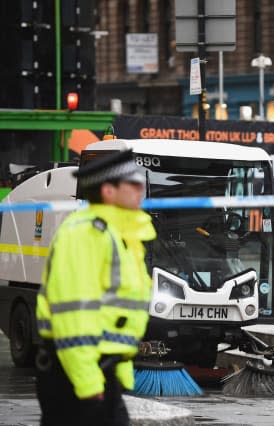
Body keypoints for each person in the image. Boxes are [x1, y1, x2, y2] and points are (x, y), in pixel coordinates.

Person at [35, 149, 157, 426]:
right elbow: (73, 315)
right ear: (109, 191)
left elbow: (114, 312)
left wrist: (118, 372)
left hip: (97, 370)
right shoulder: (86, 233)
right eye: (134, 184)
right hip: (77, 374)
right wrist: (89, 383)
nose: (142, 190)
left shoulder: (120, 234)